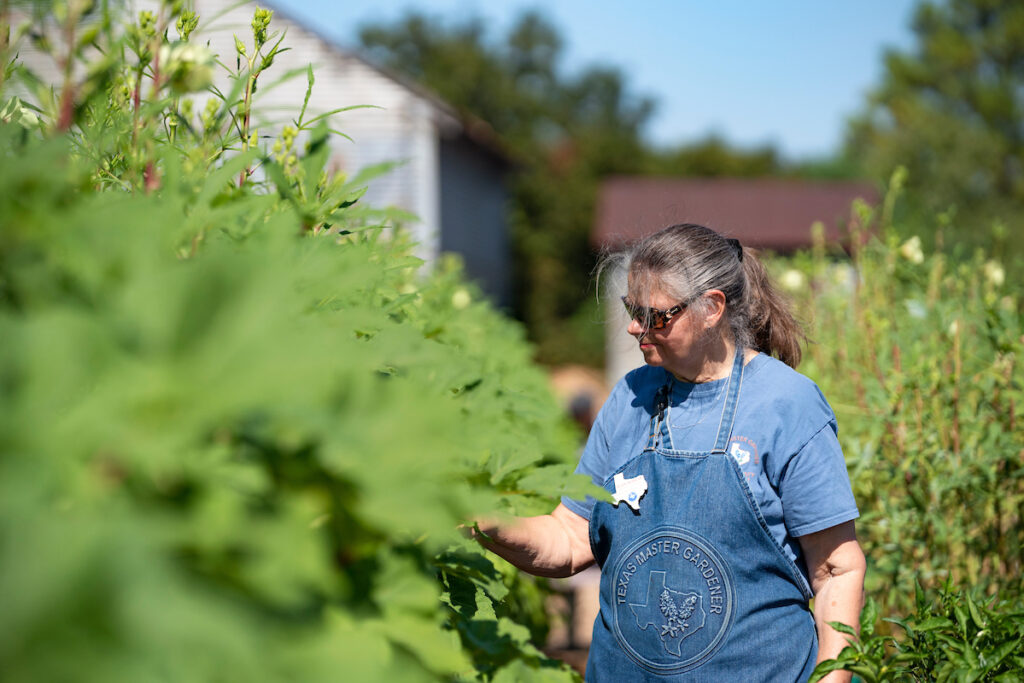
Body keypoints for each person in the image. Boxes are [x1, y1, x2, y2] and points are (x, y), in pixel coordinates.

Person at [475, 224, 865, 681]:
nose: (635, 326)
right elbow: (569, 538)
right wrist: (488, 521)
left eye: (655, 315)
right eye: (630, 309)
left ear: (711, 309)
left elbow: (836, 569)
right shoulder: (629, 399)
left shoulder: (786, 405)